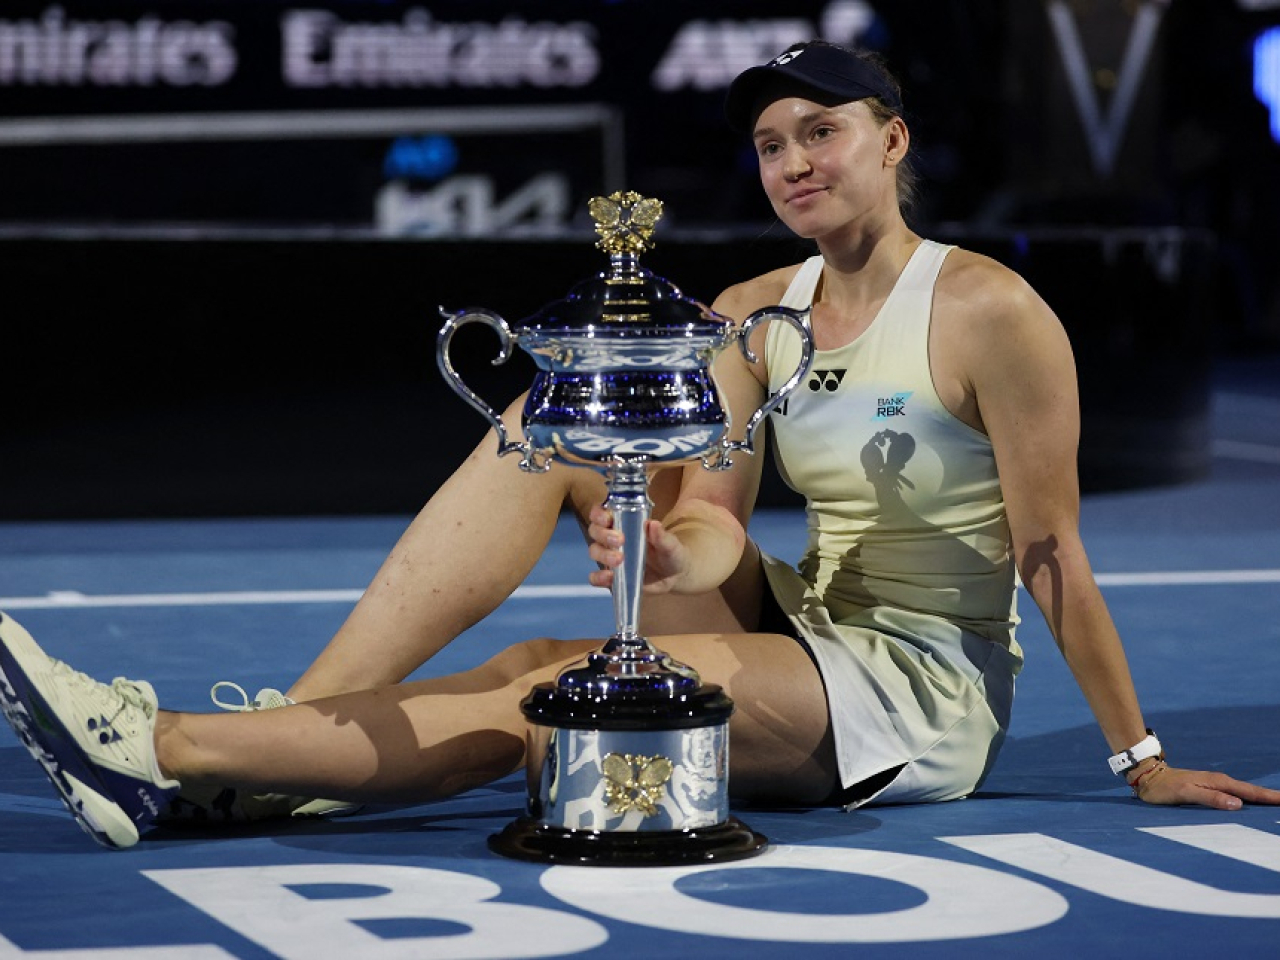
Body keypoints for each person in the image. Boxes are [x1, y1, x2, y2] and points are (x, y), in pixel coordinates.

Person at [2, 40, 1277, 851]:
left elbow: (1050, 551)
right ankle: (300, 733)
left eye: (819, 130)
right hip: (801, 621)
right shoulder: (747, 313)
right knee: (552, 431)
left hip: (914, 694)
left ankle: (157, 748)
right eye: (769, 143)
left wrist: (1142, 759)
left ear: (891, 140)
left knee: (557, 687)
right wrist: (668, 549)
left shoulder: (988, 311)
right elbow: (719, 514)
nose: (791, 161)